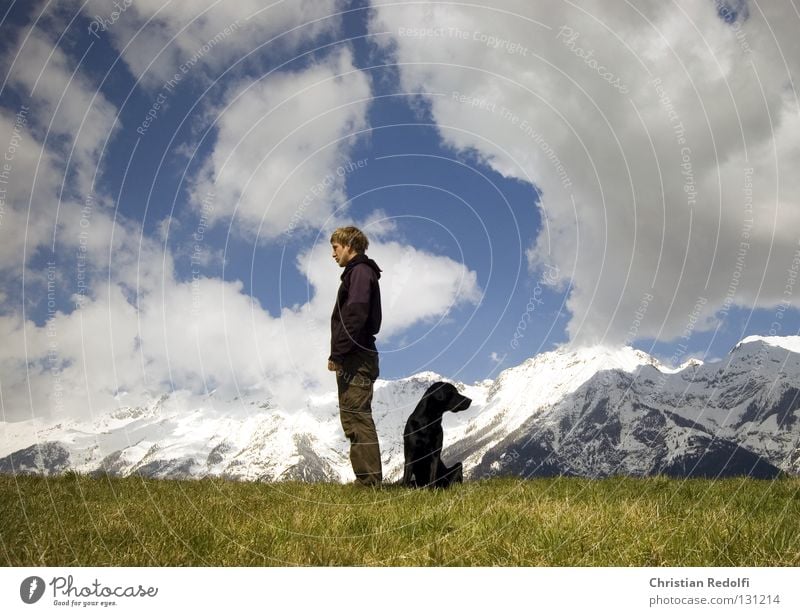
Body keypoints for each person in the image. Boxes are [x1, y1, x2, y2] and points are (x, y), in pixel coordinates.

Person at [328, 226, 383, 486]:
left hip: (356, 355)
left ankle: (369, 482)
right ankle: (366, 479)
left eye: (335, 248)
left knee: (358, 415)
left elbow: (356, 313)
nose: (333, 254)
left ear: (350, 245)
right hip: (356, 354)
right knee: (352, 415)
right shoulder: (358, 273)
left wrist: (338, 353)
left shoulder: (360, 272)